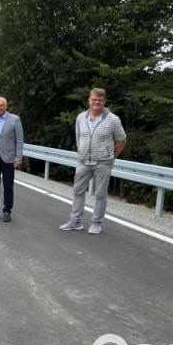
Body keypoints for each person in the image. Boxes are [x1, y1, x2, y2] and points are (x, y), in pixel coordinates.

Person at [59, 87, 126, 235]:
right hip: (83, 161)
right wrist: (82, 152)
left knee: (100, 194)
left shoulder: (113, 120)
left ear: (104, 101)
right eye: (94, 99)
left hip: (103, 162)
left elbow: (122, 140)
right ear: (89, 100)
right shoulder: (81, 117)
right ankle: (75, 222)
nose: (97, 102)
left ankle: (96, 223)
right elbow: (79, 137)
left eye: (100, 100)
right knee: (77, 190)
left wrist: (112, 157)